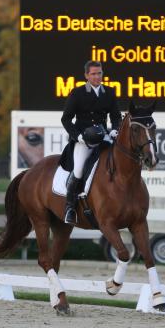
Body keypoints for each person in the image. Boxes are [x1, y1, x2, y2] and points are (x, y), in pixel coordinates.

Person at [61, 60, 122, 225]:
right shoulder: (77, 93)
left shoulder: (109, 92)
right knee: (79, 169)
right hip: (84, 140)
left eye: (100, 73)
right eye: (94, 74)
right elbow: (66, 119)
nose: (97, 77)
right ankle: (70, 207)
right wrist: (78, 136)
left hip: (103, 136)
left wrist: (116, 128)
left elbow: (116, 115)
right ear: (87, 75)